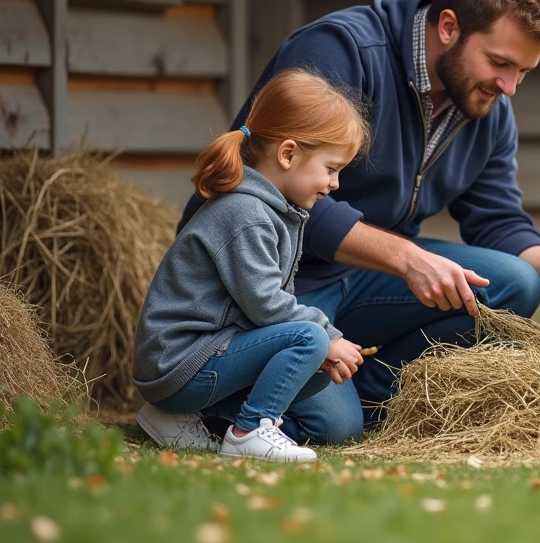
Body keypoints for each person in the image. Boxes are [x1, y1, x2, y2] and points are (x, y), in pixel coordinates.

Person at [178, 0, 540, 435]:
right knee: (333, 428)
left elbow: (497, 219)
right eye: (500, 63)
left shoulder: (487, 105)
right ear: (449, 26)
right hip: (275, 275)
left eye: (523, 72)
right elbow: (271, 193)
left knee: (518, 282)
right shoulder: (340, 51)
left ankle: (369, 397)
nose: (509, 87)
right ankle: (210, 398)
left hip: (361, 278)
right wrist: (407, 258)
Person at [133, 70, 371, 460]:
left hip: (197, 359)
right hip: (178, 362)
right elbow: (265, 305)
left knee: (313, 368)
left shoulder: (275, 210)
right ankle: (249, 432)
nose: (335, 184)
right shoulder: (247, 214)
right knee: (309, 340)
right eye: (331, 168)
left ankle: (170, 416)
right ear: (289, 154)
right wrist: (328, 334)